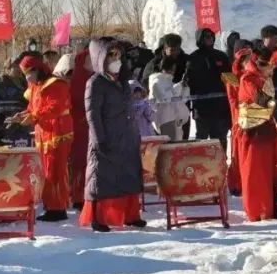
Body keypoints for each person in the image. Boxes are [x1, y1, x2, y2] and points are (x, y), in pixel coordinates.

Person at [80, 39, 145, 232]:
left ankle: (131, 215)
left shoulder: (123, 81)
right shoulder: (95, 83)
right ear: (101, 59)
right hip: (106, 137)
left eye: (118, 55)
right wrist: (100, 138)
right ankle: (99, 217)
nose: (116, 60)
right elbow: (92, 114)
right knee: (103, 177)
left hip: (126, 136)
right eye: (111, 56)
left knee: (129, 174)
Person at [235, 46, 277, 221]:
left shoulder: (265, 78)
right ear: (261, 64)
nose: (272, 70)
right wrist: (274, 104)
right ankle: (258, 208)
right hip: (252, 132)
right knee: (255, 171)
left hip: (266, 128)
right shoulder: (248, 79)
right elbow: (260, 99)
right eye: (270, 66)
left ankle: (272, 204)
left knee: (272, 170)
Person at [11, 53, 73, 222]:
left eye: (29, 73)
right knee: (46, 171)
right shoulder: (35, 87)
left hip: (57, 133)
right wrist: (22, 116)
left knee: (55, 171)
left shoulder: (56, 84)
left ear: (38, 70)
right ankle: (50, 206)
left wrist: (34, 117)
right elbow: (33, 108)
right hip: (44, 132)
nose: (27, 77)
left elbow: (55, 107)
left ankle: (58, 208)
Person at [186, 27, 232, 148]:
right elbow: (188, 82)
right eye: (206, 37)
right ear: (200, 39)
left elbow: (230, 78)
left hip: (220, 106)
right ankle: (200, 164)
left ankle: (221, 164)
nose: (210, 39)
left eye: (211, 36)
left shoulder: (221, 56)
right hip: (201, 108)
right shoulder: (192, 58)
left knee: (220, 139)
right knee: (201, 139)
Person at [68, 42, 93, 209]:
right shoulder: (78, 77)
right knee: (80, 160)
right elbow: (77, 100)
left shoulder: (93, 76)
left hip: (90, 125)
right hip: (79, 125)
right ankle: (78, 195)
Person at [149, 55, 190, 141]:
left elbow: (181, 100)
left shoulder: (169, 82)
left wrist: (184, 88)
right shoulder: (157, 82)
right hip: (165, 120)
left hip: (176, 119)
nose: (174, 70)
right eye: (173, 67)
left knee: (177, 148)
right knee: (169, 148)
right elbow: (164, 98)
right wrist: (178, 86)